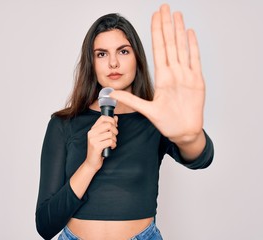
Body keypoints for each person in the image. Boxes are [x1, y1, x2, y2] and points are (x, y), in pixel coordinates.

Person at [36, 3, 214, 240]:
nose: (113, 64)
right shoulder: (63, 124)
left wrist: (189, 136)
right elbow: (45, 225)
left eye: (123, 51)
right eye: (102, 54)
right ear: (92, 63)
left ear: (137, 58)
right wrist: (90, 164)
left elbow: (201, 158)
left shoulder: (156, 119)